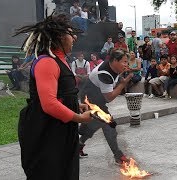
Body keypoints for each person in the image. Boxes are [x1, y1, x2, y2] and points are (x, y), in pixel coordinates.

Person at [16, 13, 92, 179]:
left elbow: (59, 94)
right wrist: (79, 117)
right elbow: (49, 103)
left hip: (61, 129)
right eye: (71, 34)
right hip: (46, 131)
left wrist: (74, 104)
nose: (75, 38)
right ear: (59, 37)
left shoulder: (60, 59)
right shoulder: (47, 62)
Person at [78, 49, 133, 164]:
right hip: (90, 101)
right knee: (109, 124)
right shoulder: (104, 73)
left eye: (127, 62)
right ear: (114, 61)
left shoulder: (113, 67)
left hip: (98, 99)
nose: (126, 65)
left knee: (95, 124)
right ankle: (118, 156)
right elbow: (110, 97)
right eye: (124, 62)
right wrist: (123, 84)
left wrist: (121, 75)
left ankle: (78, 145)